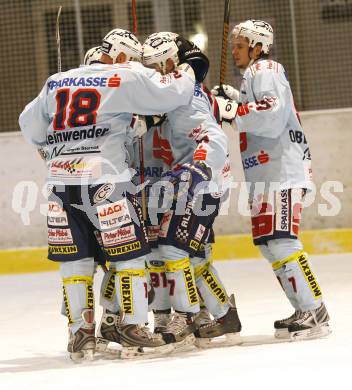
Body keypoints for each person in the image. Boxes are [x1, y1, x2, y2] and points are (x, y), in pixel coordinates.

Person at [19, 27, 197, 360]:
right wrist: (188, 68)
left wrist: (59, 148)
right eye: (133, 59)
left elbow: (29, 125)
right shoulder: (123, 75)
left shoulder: (57, 80)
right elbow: (172, 94)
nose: (137, 66)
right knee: (129, 256)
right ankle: (131, 327)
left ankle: (80, 336)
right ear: (118, 56)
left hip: (60, 184)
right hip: (106, 181)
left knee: (77, 262)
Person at [212, 19, 330, 340]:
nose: (235, 51)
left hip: (281, 172)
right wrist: (235, 101)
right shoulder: (255, 75)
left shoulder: (264, 69)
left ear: (258, 46)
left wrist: (232, 109)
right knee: (270, 245)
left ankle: (314, 310)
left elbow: (270, 114)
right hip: (267, 175)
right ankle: (304, 308)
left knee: (282, 242)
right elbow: (258, 113)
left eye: (240, 45)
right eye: (234, 45)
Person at [142, 32, 242, 347]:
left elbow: (213, 137)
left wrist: (197, 167)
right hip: (196, 182)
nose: (154, 72)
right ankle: (225, 315)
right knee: (193, 256)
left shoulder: (185, 95)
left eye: (157, 65)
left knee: (173, 249)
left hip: (200, 184)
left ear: (172, 61)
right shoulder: (177, 93)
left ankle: (184, 317)